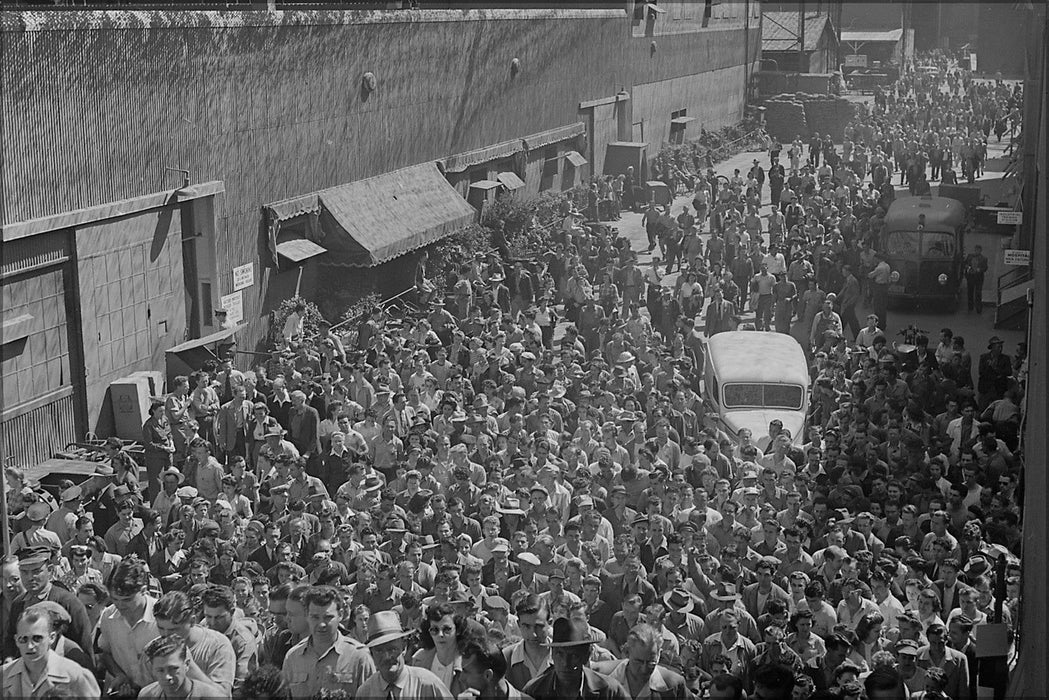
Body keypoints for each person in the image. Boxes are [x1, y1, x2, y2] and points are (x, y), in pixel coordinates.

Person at [1, 607, 100, 699]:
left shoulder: (76, 676)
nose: (30, 646)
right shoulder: (3, 675)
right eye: (23, 639)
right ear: (16, 640)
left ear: (52, 638)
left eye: (37, 638)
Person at [522, 616, 629, 700]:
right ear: (552, 655)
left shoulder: (609, 691)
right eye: (560, 654)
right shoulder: (534, 691)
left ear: (586, 656)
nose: (565, 663)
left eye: (574, 656)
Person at [356, 610, 453, 699]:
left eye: (392, 649)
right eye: (379, 651)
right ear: (371, 653)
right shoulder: (365, 692)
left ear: (403, 647)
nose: (387, 656)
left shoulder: (427, 684)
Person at [591, 623, 688, 699]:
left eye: (651, 663)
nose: (644, 669)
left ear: (659, 654)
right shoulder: (600, 676)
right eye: (638, 662)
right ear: (627, 652)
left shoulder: (673, 685)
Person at [137, 634, 227, 700]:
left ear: (186, 665)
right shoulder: (147, 696)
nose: (167, 676)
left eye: (173, 669)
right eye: (160, 670)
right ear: (152, 669)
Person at [963, 245, 988, 313]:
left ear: (980, 251)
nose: (976, 251)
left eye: (978, 250)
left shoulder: (984, 258)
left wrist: (980, 270)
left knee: (978, 293)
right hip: (970, 276)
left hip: (979, 278)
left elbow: (985, 268)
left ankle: (978, 308)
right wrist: (967, 268)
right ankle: (970, 307)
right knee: (970, 292)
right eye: (976, 250)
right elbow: (965, 264)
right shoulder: (969, 256)